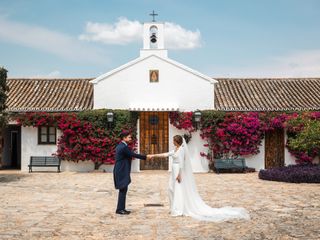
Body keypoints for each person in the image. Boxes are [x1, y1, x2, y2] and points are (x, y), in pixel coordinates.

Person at [150, 135, 250, 222]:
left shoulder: (181, 150)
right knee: (171, 188)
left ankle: (179, 209)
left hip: (178, 171)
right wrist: (153, 155)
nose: (172, 141)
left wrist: (180, 174)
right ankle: (174, 207)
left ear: (177, 141)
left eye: (173, 140)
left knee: (178, 190)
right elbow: (166, 154)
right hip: (174, 171)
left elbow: (182, 164)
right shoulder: (175, 149)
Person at [113, 131, 151, 215]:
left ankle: (121, 208)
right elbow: (132, 154)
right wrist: (145, 157)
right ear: (124, 138)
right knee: (123, 189)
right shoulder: (123, 147)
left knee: (123, 189)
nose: (130, 139)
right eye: (129, 137)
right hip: (121, 170)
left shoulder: (122, 146)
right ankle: (120, 209)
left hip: (121, 169)